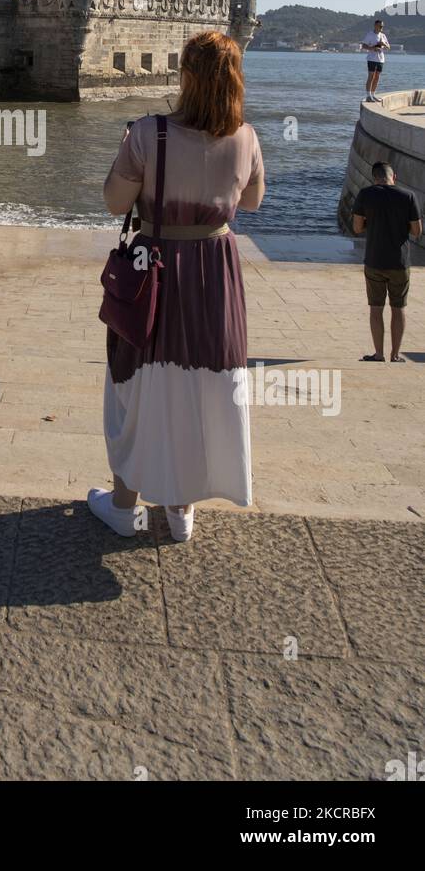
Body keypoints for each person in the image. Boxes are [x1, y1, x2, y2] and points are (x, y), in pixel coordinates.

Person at [88, 30, 265, 543]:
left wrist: (130, 158)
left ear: (185, 75)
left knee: (138, 381)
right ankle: (180, 509)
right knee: (201, 383)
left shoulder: (148, 133)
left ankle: (124, 505)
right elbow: (250, 201)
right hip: (214, 268)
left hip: (155, 265)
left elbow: (114, 203)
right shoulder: (246, 136)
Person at [352, 162, 422, 362]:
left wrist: (371, 222)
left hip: (374, 260)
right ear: (394, 177)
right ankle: (395, 355)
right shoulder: (408, 196)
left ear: (374, 178)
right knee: (398, 308)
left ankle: (379, 354)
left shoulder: (366, 194)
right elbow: (417, 231)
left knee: (376, 308)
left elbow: (357, 228)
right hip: (400, 262)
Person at [360, 18, 390, 101]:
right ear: (375, 26)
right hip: (372, 58)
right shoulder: (370, 34)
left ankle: (373, 94)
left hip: (381, 59)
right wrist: (372, 48)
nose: (381, 27)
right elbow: (363, 46)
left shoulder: (383, 36)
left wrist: (383, 44)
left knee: (377, 77)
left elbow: (388, 47)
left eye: (382, 26)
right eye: (380, 26)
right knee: (371, 76)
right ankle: (368, 96)